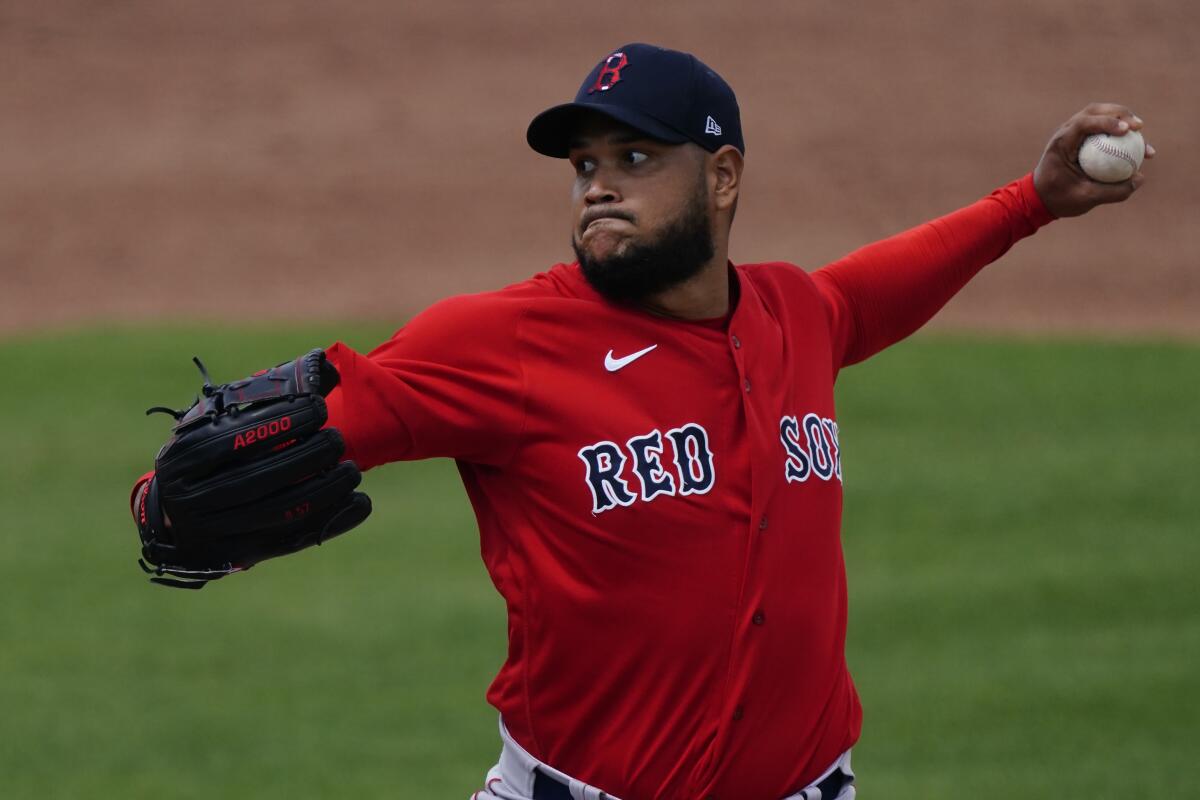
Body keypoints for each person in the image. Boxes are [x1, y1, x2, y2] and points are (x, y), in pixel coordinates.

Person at [136, 43, 1153, 800]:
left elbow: (884, 283)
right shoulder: (506, 342)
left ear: (722, 178)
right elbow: (308, 427)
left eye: (634, 156)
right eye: (584, 166)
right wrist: (165, 502)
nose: (599, 186)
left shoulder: (799, 313)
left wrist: (1033, 200)